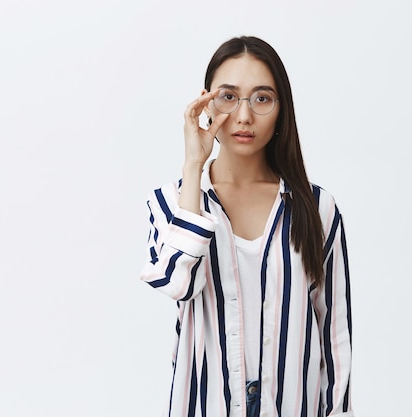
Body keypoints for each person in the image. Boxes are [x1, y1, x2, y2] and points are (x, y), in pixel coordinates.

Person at [140, 36, 353, 417]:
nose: (243, 116)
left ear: (281, 108)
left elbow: (334, 335)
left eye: (261, 98)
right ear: (206, 103)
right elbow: (178, 285)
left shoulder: (317, 208)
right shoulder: (171, 203)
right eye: (228, 96)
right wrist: (193, 168)